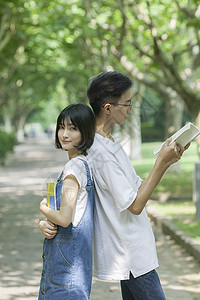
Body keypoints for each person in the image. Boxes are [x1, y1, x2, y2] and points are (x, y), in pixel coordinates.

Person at [39, 71, 189, 300]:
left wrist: (166, 161)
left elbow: (137, 186)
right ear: (108, 107)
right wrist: (161, 162)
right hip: (131, 254)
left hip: (134, 251)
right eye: (127, 103)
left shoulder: (108, 142)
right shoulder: (99, 151)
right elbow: (135, 204)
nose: (130, 109)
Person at [38, 103, 96, 300]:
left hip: (66, 270)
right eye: (62, 127)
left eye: (73, 128)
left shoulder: (74, 168)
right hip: (72, 267)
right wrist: (44, 223)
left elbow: (64, 218)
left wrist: (42, 208)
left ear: (86, 132)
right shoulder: (83, 164)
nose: (64, 134)